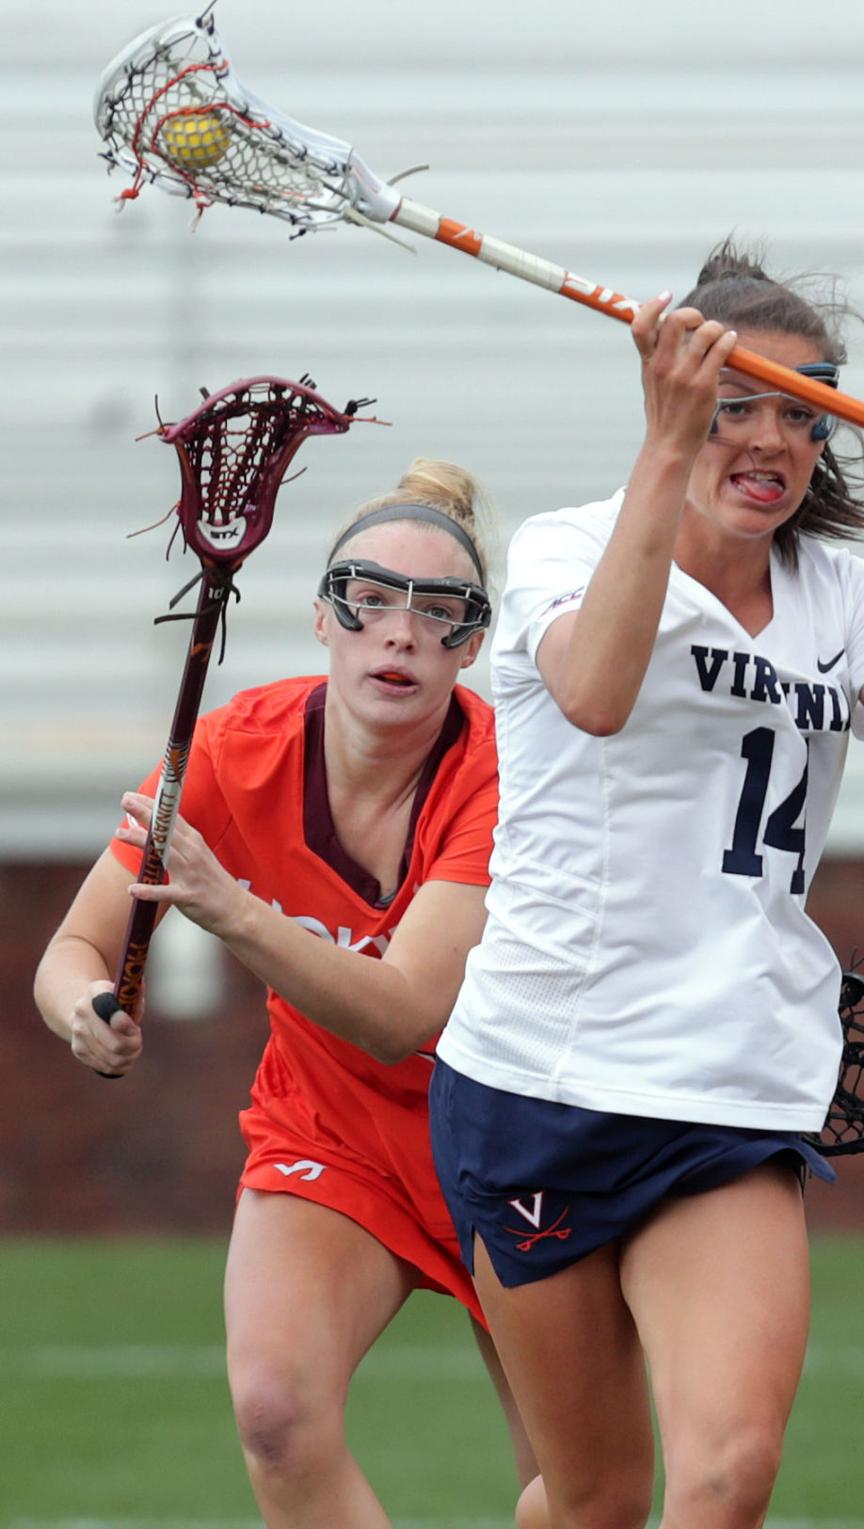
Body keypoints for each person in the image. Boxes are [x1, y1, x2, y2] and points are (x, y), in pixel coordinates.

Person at [428, 243, 864, 1529]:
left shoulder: (844, 595)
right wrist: (661, 452)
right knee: (590, 1500)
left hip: (731, 1078)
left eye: (801, 414)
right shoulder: (563, 546)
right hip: (540, 1071)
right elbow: (592, 692)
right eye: (735, 405)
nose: (769, 440)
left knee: (726, 1478)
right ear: (675, 402)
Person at [34, 461, 547, 1529]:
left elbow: (407, 1009)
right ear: (322, 617)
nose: (399, 632)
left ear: (472, 644)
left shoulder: (511, 778)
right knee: (275, 1413)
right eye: (369, 597)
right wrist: (86, 1011)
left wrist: (233, 911)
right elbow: (76, 946)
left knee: (577, 1490)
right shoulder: (229, 750)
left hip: (511, 1133)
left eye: (440, 610)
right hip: (334, 1130)